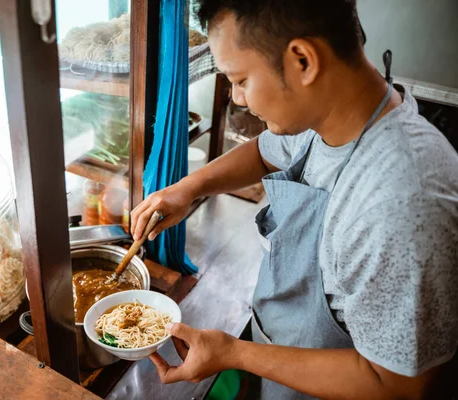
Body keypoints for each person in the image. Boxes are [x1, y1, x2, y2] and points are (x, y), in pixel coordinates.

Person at [130, 0, 458, 398]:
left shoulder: (401, 203)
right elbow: (265, 151)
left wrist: (235, 353)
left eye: (241, 79)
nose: (237, 98)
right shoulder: (330, 114)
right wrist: (188, 189)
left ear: (302, 60)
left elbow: (395, 384)